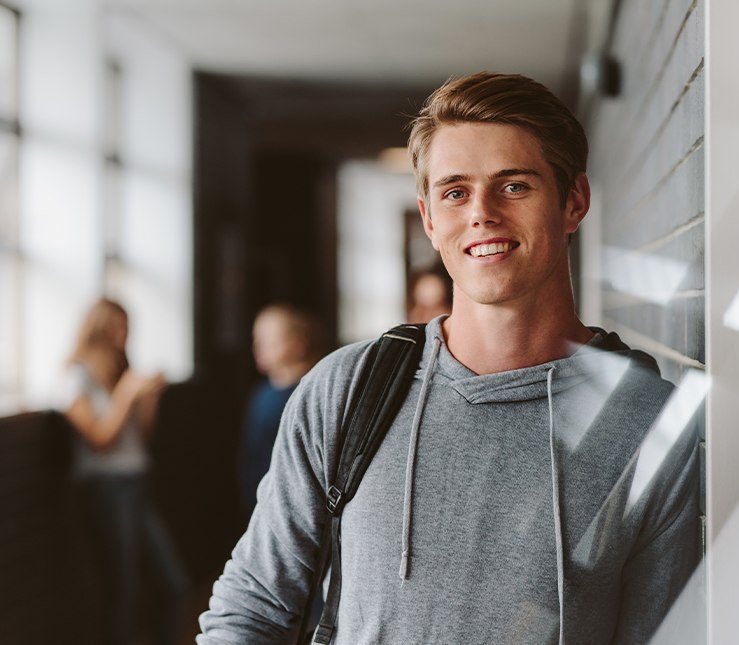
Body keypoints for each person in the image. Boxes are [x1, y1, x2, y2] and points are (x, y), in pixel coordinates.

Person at [197, 73, 699, 644]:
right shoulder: (346, 389)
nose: (481, 213)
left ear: (574, 201)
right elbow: (252, 605)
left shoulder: (649, 422)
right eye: (455, 191)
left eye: (514, 186)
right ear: (430, 218)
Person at [58, 298, 186, 645]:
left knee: (172, 582)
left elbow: (141, 438)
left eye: (127, 326)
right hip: (106, 490)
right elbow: (100, 439)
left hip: (137, 484)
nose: (123, 334)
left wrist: (150, 400)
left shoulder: (120, 373)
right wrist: (128, 394)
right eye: (117, 326)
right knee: (123, 589)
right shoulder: (76, 377)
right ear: (98, 329)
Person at [239, 304, 326, 517]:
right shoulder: (262, 393)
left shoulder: (315, 391)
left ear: (297, 344)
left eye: (270, 340)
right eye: (256, 339)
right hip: (259, 502)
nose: (259, 346)